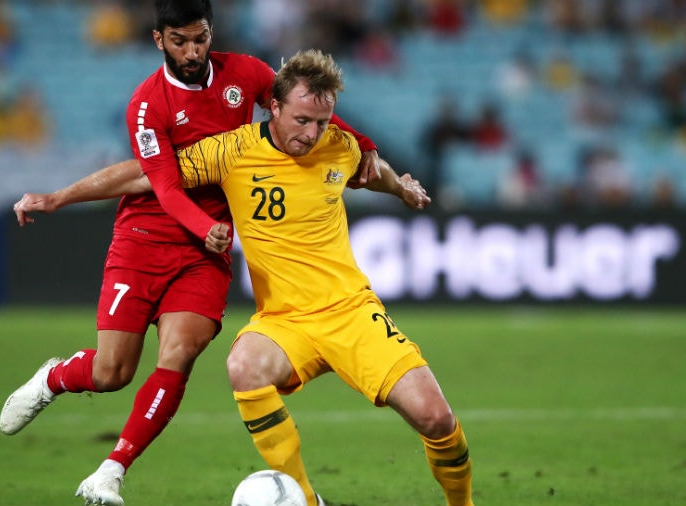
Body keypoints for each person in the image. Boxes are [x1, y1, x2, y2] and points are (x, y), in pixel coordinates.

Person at [0, 2, 381, 506]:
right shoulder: (147, 104)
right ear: (159, 39)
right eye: (179, 41)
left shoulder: (245, 74)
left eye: (199, 39)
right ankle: (55, 376)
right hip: (145, 235)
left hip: (204, 250)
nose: (192, 51)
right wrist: (205, 226)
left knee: (178, 354)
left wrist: (363, 141)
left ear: (210, 33)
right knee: (111, 373)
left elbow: (301, 109)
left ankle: (111, 471)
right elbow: (161, 183)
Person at [116, 49, 474, 506]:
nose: (312, 133)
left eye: (323, 122)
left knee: (437, 419)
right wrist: (60, 198)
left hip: (351, 312)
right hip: (284, 320)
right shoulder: (233, 150)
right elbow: (149, 174)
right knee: (243, 365)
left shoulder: (339, 147)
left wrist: (400, 185)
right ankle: (306, 500)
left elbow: (372, 171)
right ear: (275, 106)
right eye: (303, 119)